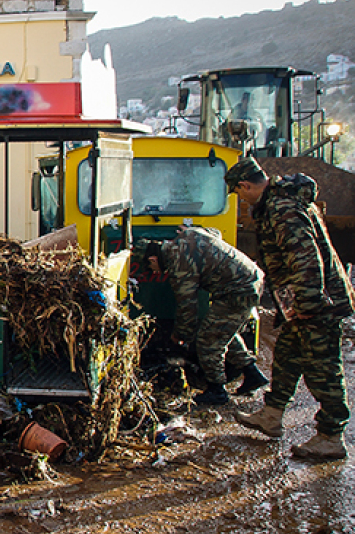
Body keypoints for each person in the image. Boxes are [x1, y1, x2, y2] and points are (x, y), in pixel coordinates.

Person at [226, 157, 355, 460]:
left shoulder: (281, 211)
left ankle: (331, 436)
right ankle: (272, 415)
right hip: (300, 303)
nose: (241, 200)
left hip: (317, 304)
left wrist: (308, 305)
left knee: (323, 367)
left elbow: (306, 260)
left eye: (239, 193)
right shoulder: (277, 203)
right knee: (286, 356)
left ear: (246, 186)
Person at [133, 227, 269, 406]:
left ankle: (217, 389)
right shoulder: (188, 235)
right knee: (222, 330)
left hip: (238, 291)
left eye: (150, 267)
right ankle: (252, 374)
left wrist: (180, 335)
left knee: (208, 340)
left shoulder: (178, 264)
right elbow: (215, 232)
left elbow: (187, 307)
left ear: (153, 258)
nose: (155, 271)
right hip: (249, 279)